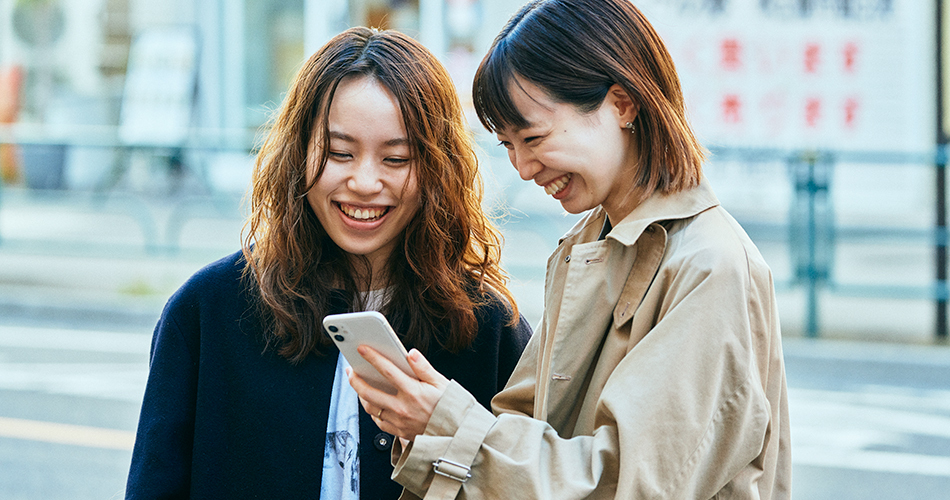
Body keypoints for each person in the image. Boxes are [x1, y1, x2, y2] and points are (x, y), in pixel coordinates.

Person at [348, 1, 792, 498]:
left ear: (621, 103)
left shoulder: (710, 265)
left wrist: (444, 423)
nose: (523, 167)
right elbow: (521, 424)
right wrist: (430, 419)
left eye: (533, 137)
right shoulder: (588, 243)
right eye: (507, 145)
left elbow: (628, 482)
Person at [125, 27, 532, 500]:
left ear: (438, 168)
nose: (363, 181)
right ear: (299, 152)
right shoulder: (206, 311)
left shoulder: (486, 327)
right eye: (340, 153)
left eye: (396, 159)